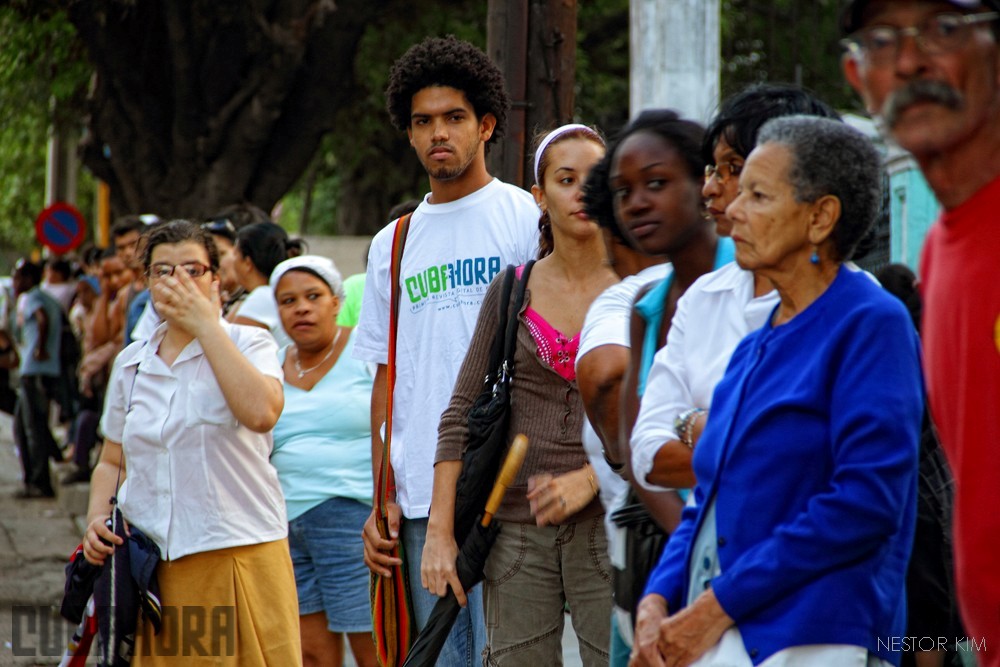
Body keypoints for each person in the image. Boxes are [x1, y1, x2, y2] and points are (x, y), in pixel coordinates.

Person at [629, 116, 923, 667]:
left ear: (820, 217)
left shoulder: (869, 323)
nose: (733, 210)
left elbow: (864, 502)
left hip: (819, 639)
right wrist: (657, 598)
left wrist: (718, 605)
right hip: (725, 636)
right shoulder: (752, 348)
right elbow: (707, 500)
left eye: (757, 196)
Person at [354, 35, 540, 666]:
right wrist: (379, 493)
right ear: (408, 135)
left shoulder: (523, 219)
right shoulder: (394, 243)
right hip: (416, 497)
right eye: (423, 121)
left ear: (486, 125)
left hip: (505, 489)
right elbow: (386, 375)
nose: (439, 133)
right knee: (441, 658)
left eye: (454, 118)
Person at [841, 1, 1000, 659]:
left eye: (943, 28)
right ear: (858, 78)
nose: (909, 62)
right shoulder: (938, 252)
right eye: (882, 41)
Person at [427, 124, 614, 665]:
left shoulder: (641, 291)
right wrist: (441, 532)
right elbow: (460, 414)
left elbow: (661, 417)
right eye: (565, 179)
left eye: (596, 179)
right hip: (513, 531)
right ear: (539, 194)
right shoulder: (512, 287)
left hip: (610, 525)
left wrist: (591, 478)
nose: (583, 192)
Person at [82, 220, 300, 664]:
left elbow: (261, 412)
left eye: (193, 270)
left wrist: (206, 325)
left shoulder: (248, 341)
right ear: (145, 282)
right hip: (157, 567)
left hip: (238, 553)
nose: (177, 281)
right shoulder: (132, 363)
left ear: (217, 280)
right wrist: (96, 519)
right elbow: (111, 458)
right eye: (162, 271)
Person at [630, 85, 839, 492]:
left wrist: (694, 424)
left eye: (734, 169)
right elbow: (647, 454)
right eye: (712, 169)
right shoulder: (703, 298)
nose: (711, 190)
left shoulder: (857, 313)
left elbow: (831, 467)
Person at [576, 109, 722, 664]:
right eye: (622, 191)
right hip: (680, 554)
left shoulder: (751, 285)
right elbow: (640, 452)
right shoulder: (645, 307)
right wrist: (691, 544)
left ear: (702, 182)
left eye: (656, 184)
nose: (636, 202)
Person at [269, 255, 377, 667]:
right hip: (284, 525)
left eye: (313, 296)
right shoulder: (270, 364)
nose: (301, 308)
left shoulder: (366, 352)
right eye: (288, 300)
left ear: (336, 301)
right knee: (311, 654)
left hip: (354, 521)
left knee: (373, 650)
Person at [11, 260, 63, 499]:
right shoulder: (48, 298)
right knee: (27, 426)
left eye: (19, 278)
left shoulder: (33, 297)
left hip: (34, 370)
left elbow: (41, 319)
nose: (15, 283)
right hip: (44, 369)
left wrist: (39, 349)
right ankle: (35, 478)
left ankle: (39, 482)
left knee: (32, 428)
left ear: (30, 280)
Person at [230, 220, 293, 348]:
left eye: (235, 254)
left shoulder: (262, 297)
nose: (232, 261)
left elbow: (228, 350)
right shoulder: (274, 294)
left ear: (247, 263)